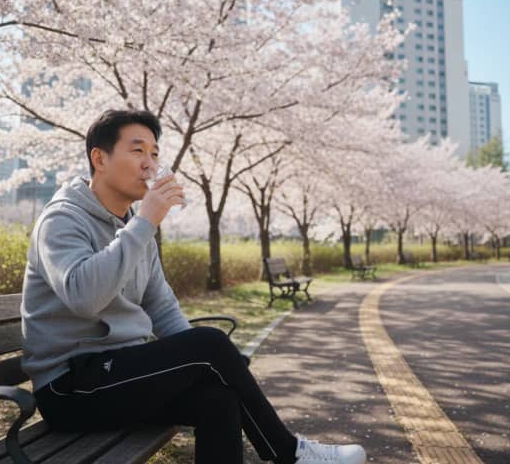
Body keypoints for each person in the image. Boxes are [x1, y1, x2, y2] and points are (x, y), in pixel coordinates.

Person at [20, 109, 368, 464]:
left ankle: (285, 452)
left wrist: (204, 362)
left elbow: (161, 305)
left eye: (155, 153)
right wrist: (144, 224)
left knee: (219, 394)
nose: (150, 163)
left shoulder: (134, 229)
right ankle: (288, 453)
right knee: (212, 343)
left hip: (118, 375)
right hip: (70, 387)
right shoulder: (62, 220)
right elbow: (83, 298)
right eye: (138, 151)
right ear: (100, 158)